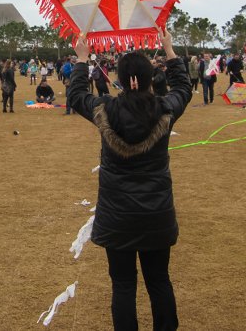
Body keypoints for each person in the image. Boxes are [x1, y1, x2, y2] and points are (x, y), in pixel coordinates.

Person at [67, 29, 190, 331]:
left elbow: (75, 95)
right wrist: (169, 51)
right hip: (156, 214)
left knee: (123, 285)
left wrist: (82, 59)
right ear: (148, 80)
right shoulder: (166, 107)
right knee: (159, 280)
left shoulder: (105, 109)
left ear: (123, 80)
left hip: (117, 216)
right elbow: (184, 88)